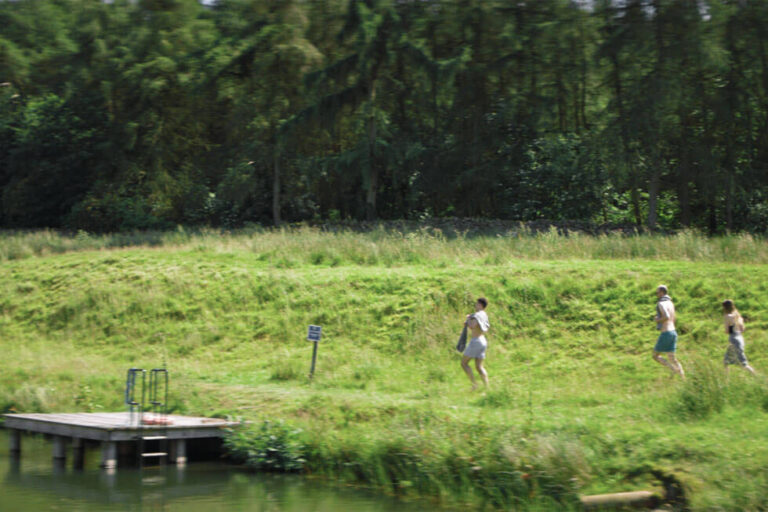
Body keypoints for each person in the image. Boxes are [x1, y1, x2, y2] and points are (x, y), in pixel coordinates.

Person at [652, 285, 685, 379]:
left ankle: (673, 369)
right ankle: (683, 377)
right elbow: (673, 317)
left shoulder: (661, 303)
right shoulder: (670, 303)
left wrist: (658, 320)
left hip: (666, 332)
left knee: (655, 355)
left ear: (662, 292)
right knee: (672, 358)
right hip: (673, 332)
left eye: (657, 293)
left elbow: (666, 316)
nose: (656, 295)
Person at [461, 297, 490, 390]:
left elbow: (472, 326)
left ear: (480, 305)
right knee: (479, 367)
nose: (475, 305)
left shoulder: (477, 315)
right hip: (483, 340)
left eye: (476, 304)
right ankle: (487, 387)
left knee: (464, 363)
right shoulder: (484, 315)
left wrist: (468, 319)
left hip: (476, 341)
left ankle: (474, 385)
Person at [722, 299, 756, 376]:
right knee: (727, 360)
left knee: (741, 363)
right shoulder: (737, 315)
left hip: (733, 339)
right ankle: (726, 379)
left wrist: (729, 329)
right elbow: (742, 329)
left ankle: (755, 375)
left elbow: (727, 330)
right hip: (740, 338)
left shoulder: (727, 316)